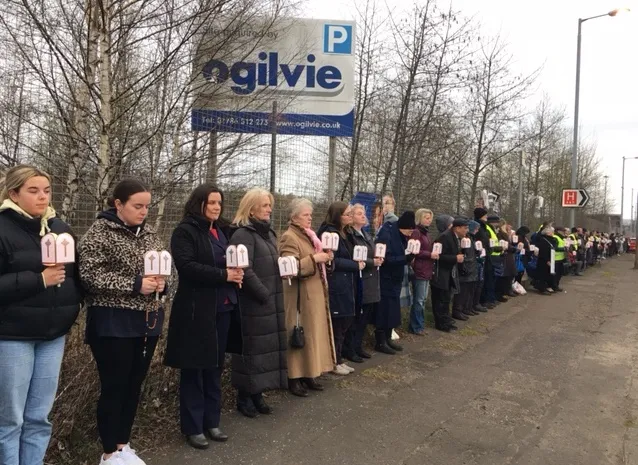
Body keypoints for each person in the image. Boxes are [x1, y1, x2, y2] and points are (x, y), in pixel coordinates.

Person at [79, 179, 168, 465]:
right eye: (137, 206)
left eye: (147, 207)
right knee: (115, 385)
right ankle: (108, 452)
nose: (144, 212)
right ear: (118, 204)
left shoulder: (150, 234)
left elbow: (170, 270)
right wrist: (135, 284)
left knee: (134, 384)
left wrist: (164, 285)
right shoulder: (99, 233)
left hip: (147, 320)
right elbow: (89, 276)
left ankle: (122, 444)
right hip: (112, 321)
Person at [0, 165, 82, 465]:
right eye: (33, 191)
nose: (42, 197)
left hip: (52, 336)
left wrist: (74, 308)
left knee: (39, 417)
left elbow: (76, 277)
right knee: (10, 420)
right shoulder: (2, 228)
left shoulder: (61, 229)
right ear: (13, 194)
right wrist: (40, 280)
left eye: (46, 190)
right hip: (12, 337)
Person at [164, 184, 242, 450]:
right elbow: (186, 267)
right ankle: (193, 426)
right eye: (211, 202)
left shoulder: (221, 231)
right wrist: (224, 275)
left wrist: (237, 273)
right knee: (195, 368)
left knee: (214, 367)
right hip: (197, 311)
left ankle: (212, 421)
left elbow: (230, 261)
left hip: (223, 307)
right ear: (198, 203)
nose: (216, 207)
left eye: (219, 202)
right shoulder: (185, 231)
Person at [229, 188, 287, 418]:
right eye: (264, 205)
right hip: (253, 302)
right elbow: (244, 268)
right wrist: (262, 293)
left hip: (270, 299)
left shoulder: (268, 233)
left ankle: (257, 393)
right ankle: (244, 396)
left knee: (264, 349)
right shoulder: (243, 234)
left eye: (269, 205)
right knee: (251, 349)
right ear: (251, 208)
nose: (269, 209)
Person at [279, 198, 336, 397]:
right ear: (294, 217)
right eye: (305, 215)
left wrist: (326, 259)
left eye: (310, 215)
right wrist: (314, 259)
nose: (310, 218)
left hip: (313, 294)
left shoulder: (310, 236)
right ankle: (294, 377)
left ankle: (309, 373)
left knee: (312, 334)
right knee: (299, 333)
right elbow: (289, 266)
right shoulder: (289, 237)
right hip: (299, 296)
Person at [317, 202, 362, 373]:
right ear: (338, 216)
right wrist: (354, 265)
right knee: (337, 323)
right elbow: (332, 260)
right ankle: (333, 361)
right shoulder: (329, 233)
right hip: (337, 283)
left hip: (348, 283)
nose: (350, 216)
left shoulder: (346, 233)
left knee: (345, 322)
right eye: (347, 214)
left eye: (351, 213)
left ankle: (339, 357)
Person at [342, 204, 382, 360]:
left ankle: (358, 346)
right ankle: (349, 348)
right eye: (359, 213)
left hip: (371, 280)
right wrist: (373, 262)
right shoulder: (351, 235)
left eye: (364, 213)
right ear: (351, 217)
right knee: (356, 317)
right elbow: (356, 256)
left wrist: (377, 259)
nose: (363, 216)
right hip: (361, 279)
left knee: (364, 317)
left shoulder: (366, 234)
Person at [375, 211, 416, 353]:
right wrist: (405, 259)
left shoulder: (401, 235)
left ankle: (388, 338)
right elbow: (385, 259)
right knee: (384, 310)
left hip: (396, 278)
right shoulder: (387, 235)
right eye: (409, 230)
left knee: (392, 310)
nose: (410, 234)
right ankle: (380, 341)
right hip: (386, 278)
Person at [431, 217, 469, 332]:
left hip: (449, 273)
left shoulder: (456, 237)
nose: (466, 231)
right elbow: (438, 256)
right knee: (440, 298)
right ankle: (441, 323)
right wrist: (455, 258)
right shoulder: (444, 237)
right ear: (457, 228)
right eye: (464, 228)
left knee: (446, 298)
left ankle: (446, 320)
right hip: (440, 273)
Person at [409, 208, 436, 335]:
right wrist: (430, 254)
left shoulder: (426, 233)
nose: (429, 220)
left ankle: (420, 324)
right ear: (419, 218)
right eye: (426, 217)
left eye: (430, 218)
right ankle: (416, 326)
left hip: (427, 269)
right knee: (419, 299)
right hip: (420, 269)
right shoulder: (416, 232)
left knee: (423, 299)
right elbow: (415, 251)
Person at [474, 208, 501, 309]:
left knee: (488, 278)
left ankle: (488, 299)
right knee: (484, 279)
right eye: (485, 216)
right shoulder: (480, 226)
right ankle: (484, 300)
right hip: (484, 255)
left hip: (489, 254)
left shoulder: (484, 227)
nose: (486, 217)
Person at [452, 218, 479, 320]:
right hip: (464, 265)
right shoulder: (460, 238)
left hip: (471, 265)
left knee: (468, 289)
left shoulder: (470, 238)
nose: (466, 230)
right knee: (462, 290)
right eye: (465, 228)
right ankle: (457, 309)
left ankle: (465, 307)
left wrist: (477, 252)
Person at [469, 220, 488, 313]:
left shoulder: (474, 239)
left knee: (479, 284)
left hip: (479, 263)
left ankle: (474, 304)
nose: (477, 231)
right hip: (473, 265)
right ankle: (471, 305)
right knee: (473, 286)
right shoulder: (470, 238)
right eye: (475, 229)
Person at [531, 225, 556, 295]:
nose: (553, 233)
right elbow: (543, 251)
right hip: (544, 260)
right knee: (543, 275)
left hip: (550, 258)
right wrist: (547, 260)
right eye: (552, 232)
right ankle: (541, 288)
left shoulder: (550, 239)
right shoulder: (543, 240)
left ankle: (546, 287)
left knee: (547, 274)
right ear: (548, 233)